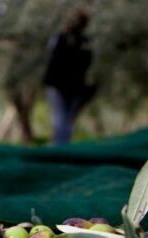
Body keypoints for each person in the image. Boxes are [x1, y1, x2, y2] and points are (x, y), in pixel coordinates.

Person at [43, 9, 96, 145]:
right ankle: (59, 151)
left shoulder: (84, 42)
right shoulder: (61, 38)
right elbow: (56, 60)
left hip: (73, 89)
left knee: (66, 122)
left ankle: (61, 150)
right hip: (57, 86)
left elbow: (86, 63)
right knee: (60, 120)